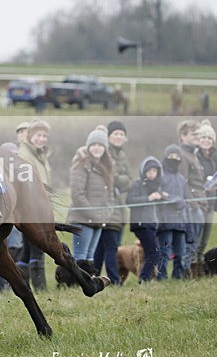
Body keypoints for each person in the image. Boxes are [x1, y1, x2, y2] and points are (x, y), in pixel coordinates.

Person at [67, 127, 114, 273]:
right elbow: (77, 195)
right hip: (83, 219)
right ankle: (75, 284)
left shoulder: (105, 167)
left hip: (99, 219)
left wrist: (107, 213)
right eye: (94, 145)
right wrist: (94, 214)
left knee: (90, 256)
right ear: (88, 147)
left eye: (100, 145)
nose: (97, 148)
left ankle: (88, 282)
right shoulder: (81, 165)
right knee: (80, 256)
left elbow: (109, 195)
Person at [16, 118, 52, 290]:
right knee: (38, 247)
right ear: (30, 136)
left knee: (28, 250)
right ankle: (40, 288)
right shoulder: (24, 155)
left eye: (44, 136)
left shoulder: (41, 155)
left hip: (39, 207)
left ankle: (23, 284)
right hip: (31, 209)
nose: (41, 139)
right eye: (38, 135)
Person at [93, 120, 131, 285]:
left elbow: (128, 180)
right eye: (116, 133)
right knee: (110, 246)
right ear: (108, 137)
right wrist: (124, 180)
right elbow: (113, 178)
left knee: (103, 247)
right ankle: (114, 281)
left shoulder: (122, 155)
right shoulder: (105, 153)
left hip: (119, 207)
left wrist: (125, 180)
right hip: (107, 208)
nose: (119, 137)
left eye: (122, 134)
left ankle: (94, 278)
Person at [176, 119, 207, 278]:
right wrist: (193, 204)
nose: (197, 137)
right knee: (190, 243)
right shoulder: (182, 155)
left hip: (199, 204)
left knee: (195, 243)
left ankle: (187, 274)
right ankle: (184, 275)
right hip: (192, 207)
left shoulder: (194, 154)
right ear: (183, 136)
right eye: (194, 134)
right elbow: (183, 182)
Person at [126, 157, 164, 282]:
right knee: (155, 253)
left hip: (153, 224)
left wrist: (163, 197)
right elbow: (129, 201)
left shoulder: (157, 186)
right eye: (149, 171)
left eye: (154, 170)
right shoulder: (137, 184)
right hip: (141, 224)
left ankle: (148, 278)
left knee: (149, 253)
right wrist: (148, 198)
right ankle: (144, 279)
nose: (151, 173)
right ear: (143, 171)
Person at [158, 145, 188, 279]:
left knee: (180, 252)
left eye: (177, 156)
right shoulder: (161, 176)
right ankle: (162, 276)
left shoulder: (182, 179)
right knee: (165, 251)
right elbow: (159, 196)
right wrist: (172, 199)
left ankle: (178, 276)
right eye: (171, 156)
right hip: (165, 220)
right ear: (166, 157)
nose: (174, 158)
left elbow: (185, 198)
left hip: (180, 221)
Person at [196, 119, 217, 266]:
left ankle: (200, 265)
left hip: (211, 201)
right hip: (199, 202)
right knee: (197, 237)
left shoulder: (214, 156)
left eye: (209, 138)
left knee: (205, 237)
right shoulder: (195, 157)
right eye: (203, 137)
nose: (206, 140)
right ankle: (192, 268)